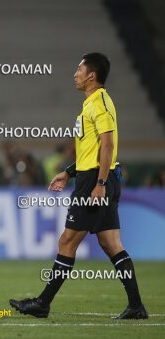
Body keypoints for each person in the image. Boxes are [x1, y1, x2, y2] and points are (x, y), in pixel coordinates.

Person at [9, 53, 148, 319]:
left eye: (79, 69)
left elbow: (108, 145)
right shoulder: (90, 105)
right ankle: (136, 306)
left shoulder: (101, 104)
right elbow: (91, 151)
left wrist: (100, 183)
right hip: (92, 177)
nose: (75, 73)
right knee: (111, 244)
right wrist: (67, 172)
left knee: (67, 240)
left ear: (91, 75)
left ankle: (42, 303)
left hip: (96, 182)